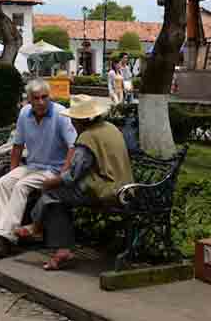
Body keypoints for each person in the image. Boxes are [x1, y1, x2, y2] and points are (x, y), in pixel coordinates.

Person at [19, 95, 132, 271]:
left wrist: (51, 182)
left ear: (80, 121)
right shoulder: (110, 128)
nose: (71, 123)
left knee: (51, 195)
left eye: (73, 119)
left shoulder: (87, 138)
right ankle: (55, 243)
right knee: (58, 197)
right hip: (125, 187)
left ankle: (39, 228)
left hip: (106, 190)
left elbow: (73, 175)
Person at [0, 79, 76, 257]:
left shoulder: (61, 114)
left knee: (21, 186)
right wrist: (13, 169)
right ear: (29, 99)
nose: (41, 102)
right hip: (32, 165)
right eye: (36, 98)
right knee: (4, 182)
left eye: (44, 97)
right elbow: (18, 144)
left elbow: (72, 147)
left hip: (53, 169)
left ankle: (5, 239)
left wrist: (62, 175)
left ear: (49, 97)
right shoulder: (24, 113)